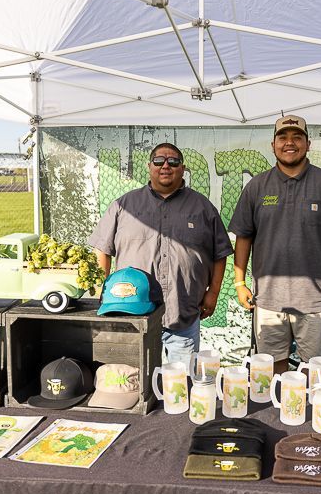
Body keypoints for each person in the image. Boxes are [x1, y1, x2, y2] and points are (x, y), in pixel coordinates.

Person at [88, 143, 232, 374]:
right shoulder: (124, 206)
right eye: (159, 161)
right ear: (149, 167)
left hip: (182, 314)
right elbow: (102, 250)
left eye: (173, 161)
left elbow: (220, 253)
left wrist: (213, 293)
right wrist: (102, 291)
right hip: (132, 315)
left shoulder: (203, 207)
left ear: (183, 168)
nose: (166, 166)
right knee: (133, 383)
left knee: (180, 387)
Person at [229, 114, 321, 374]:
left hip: (316, 299)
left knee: (315, 370)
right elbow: (244, 238)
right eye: (283, 137)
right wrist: (239, 283)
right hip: (268, 299)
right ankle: (278, 413)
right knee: (272, 367)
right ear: (273, 144)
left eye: (297, 137)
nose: (290, 143)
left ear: (308, 144)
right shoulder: (256, 187)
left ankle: (310, 413)